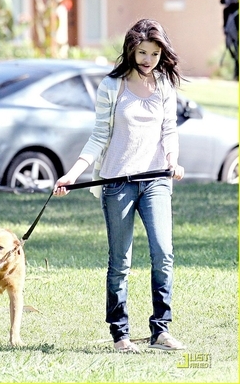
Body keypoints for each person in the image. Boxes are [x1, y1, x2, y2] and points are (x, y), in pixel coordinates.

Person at [54, 19, 186, 353]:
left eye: (154, 54)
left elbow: (169, 130)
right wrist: (73, 173)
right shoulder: (112, 86)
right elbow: (99, 136)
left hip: (155, 179)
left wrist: (173, 160)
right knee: (120, 262)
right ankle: (120, 334)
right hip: (117, 183)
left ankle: (160, 330)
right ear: (131, 50)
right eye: (142, 52)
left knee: (163, 253)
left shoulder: (165, 84)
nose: (148, 59)